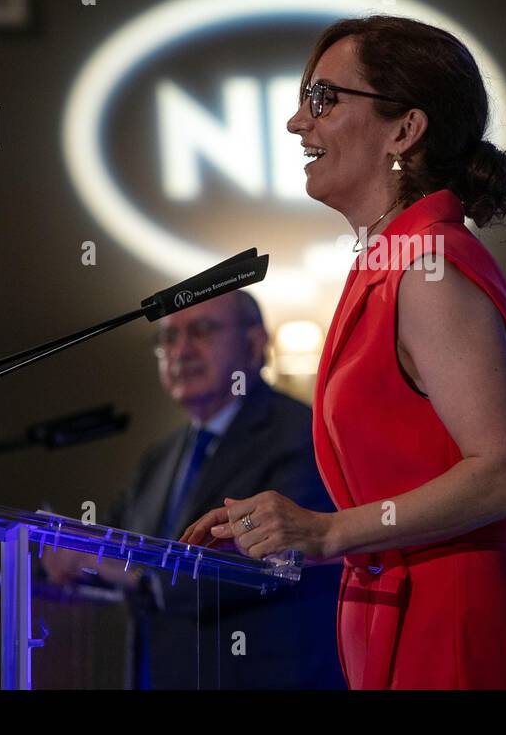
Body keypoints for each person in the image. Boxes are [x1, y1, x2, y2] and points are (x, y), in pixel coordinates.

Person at [182, 16, 506, 689]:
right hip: (391, 618)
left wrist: (327, 532)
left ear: (404, 130)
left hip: (453, 634)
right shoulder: (390, 265)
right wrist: (283, 532)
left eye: (323, 98)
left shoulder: (430, 268)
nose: (299, 123)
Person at [44, 290, 344, 689]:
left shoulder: (300, 435)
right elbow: (114, 543)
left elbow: (273, 562)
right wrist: (69, 554)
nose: (180, 351)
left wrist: (139, 577)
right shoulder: (160, 456)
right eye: (167, 338)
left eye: (201, 331)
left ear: (254, 345)